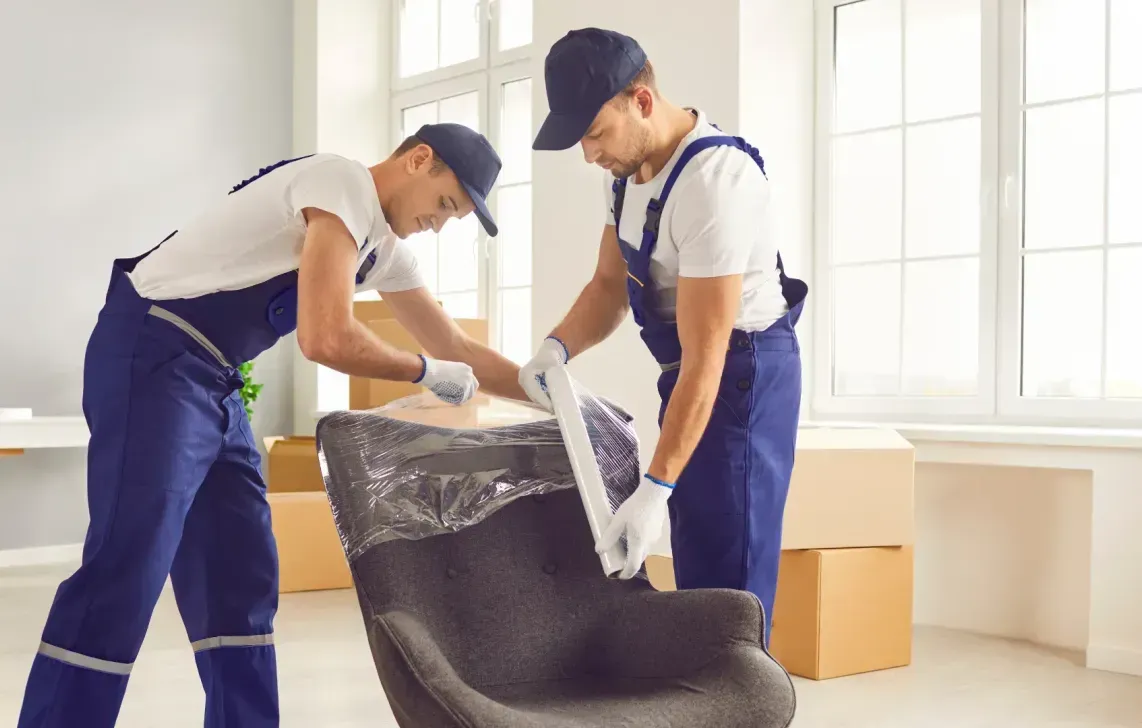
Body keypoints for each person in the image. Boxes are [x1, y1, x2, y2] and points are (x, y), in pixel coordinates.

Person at [18, 123, 525, 728]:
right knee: (130, 561)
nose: (438, 223)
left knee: (241, 571)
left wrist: (554, 391)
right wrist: (422, 371)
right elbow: (325, 335)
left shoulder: (382, 249)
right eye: (444, 204)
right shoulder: (339, 182)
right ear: (419, 159)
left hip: (213, 376)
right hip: (153, 352)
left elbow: (457, 345)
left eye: (454, 218)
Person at [521, 28, 808, 642]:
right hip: (693, 374)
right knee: (698, 561)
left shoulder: (715, 180)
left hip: (745, 373)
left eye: (594, 134)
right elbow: (608, 286)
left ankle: (746, 702)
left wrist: (654, 488)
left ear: (641, 100)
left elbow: (709, 356)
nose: (588, 154)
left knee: (731, 581)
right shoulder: (625, 173)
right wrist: (557, 347)